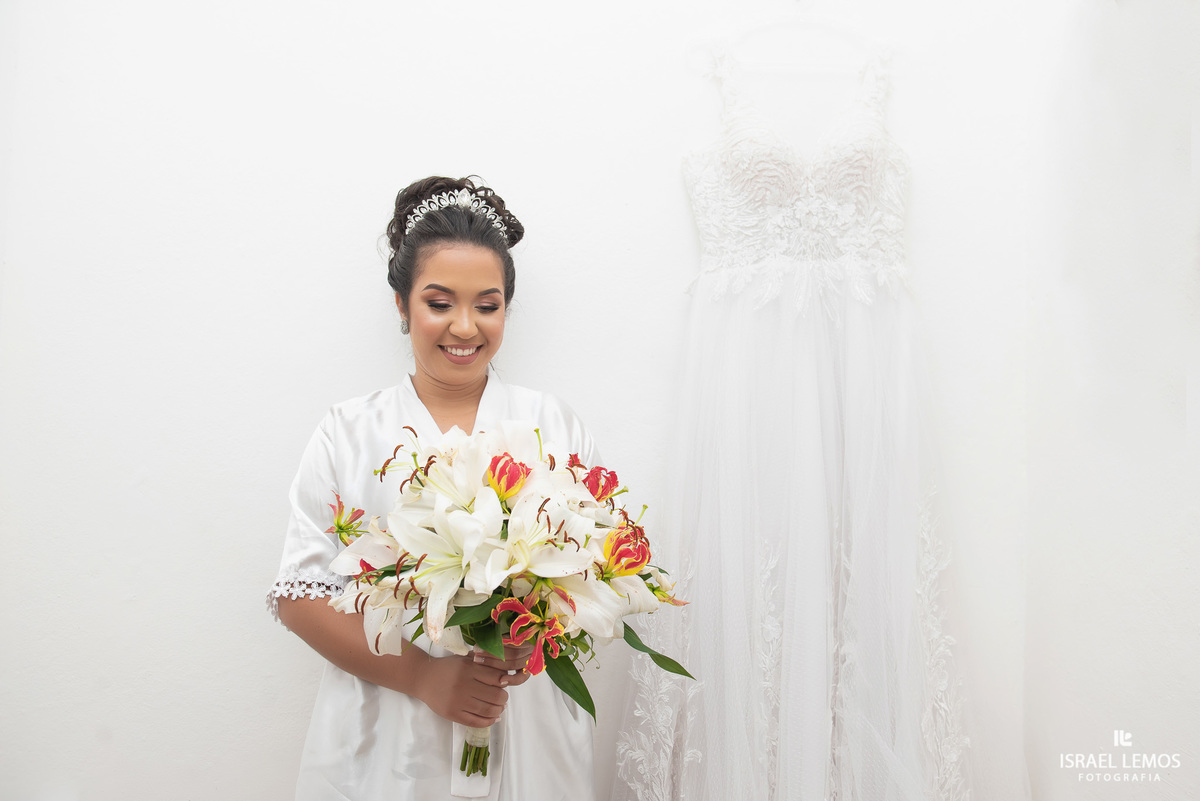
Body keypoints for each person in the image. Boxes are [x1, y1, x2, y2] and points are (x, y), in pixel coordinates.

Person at [268, 176, 599, 801]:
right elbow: (300, 596)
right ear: (402, 306)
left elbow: (595, 569)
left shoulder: (553, 424)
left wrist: (526, 640)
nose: (465, 327)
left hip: (521, 719)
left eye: (488, 304)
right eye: (440, 302)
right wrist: (425, 678)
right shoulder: (348, 432)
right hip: (388, 725)